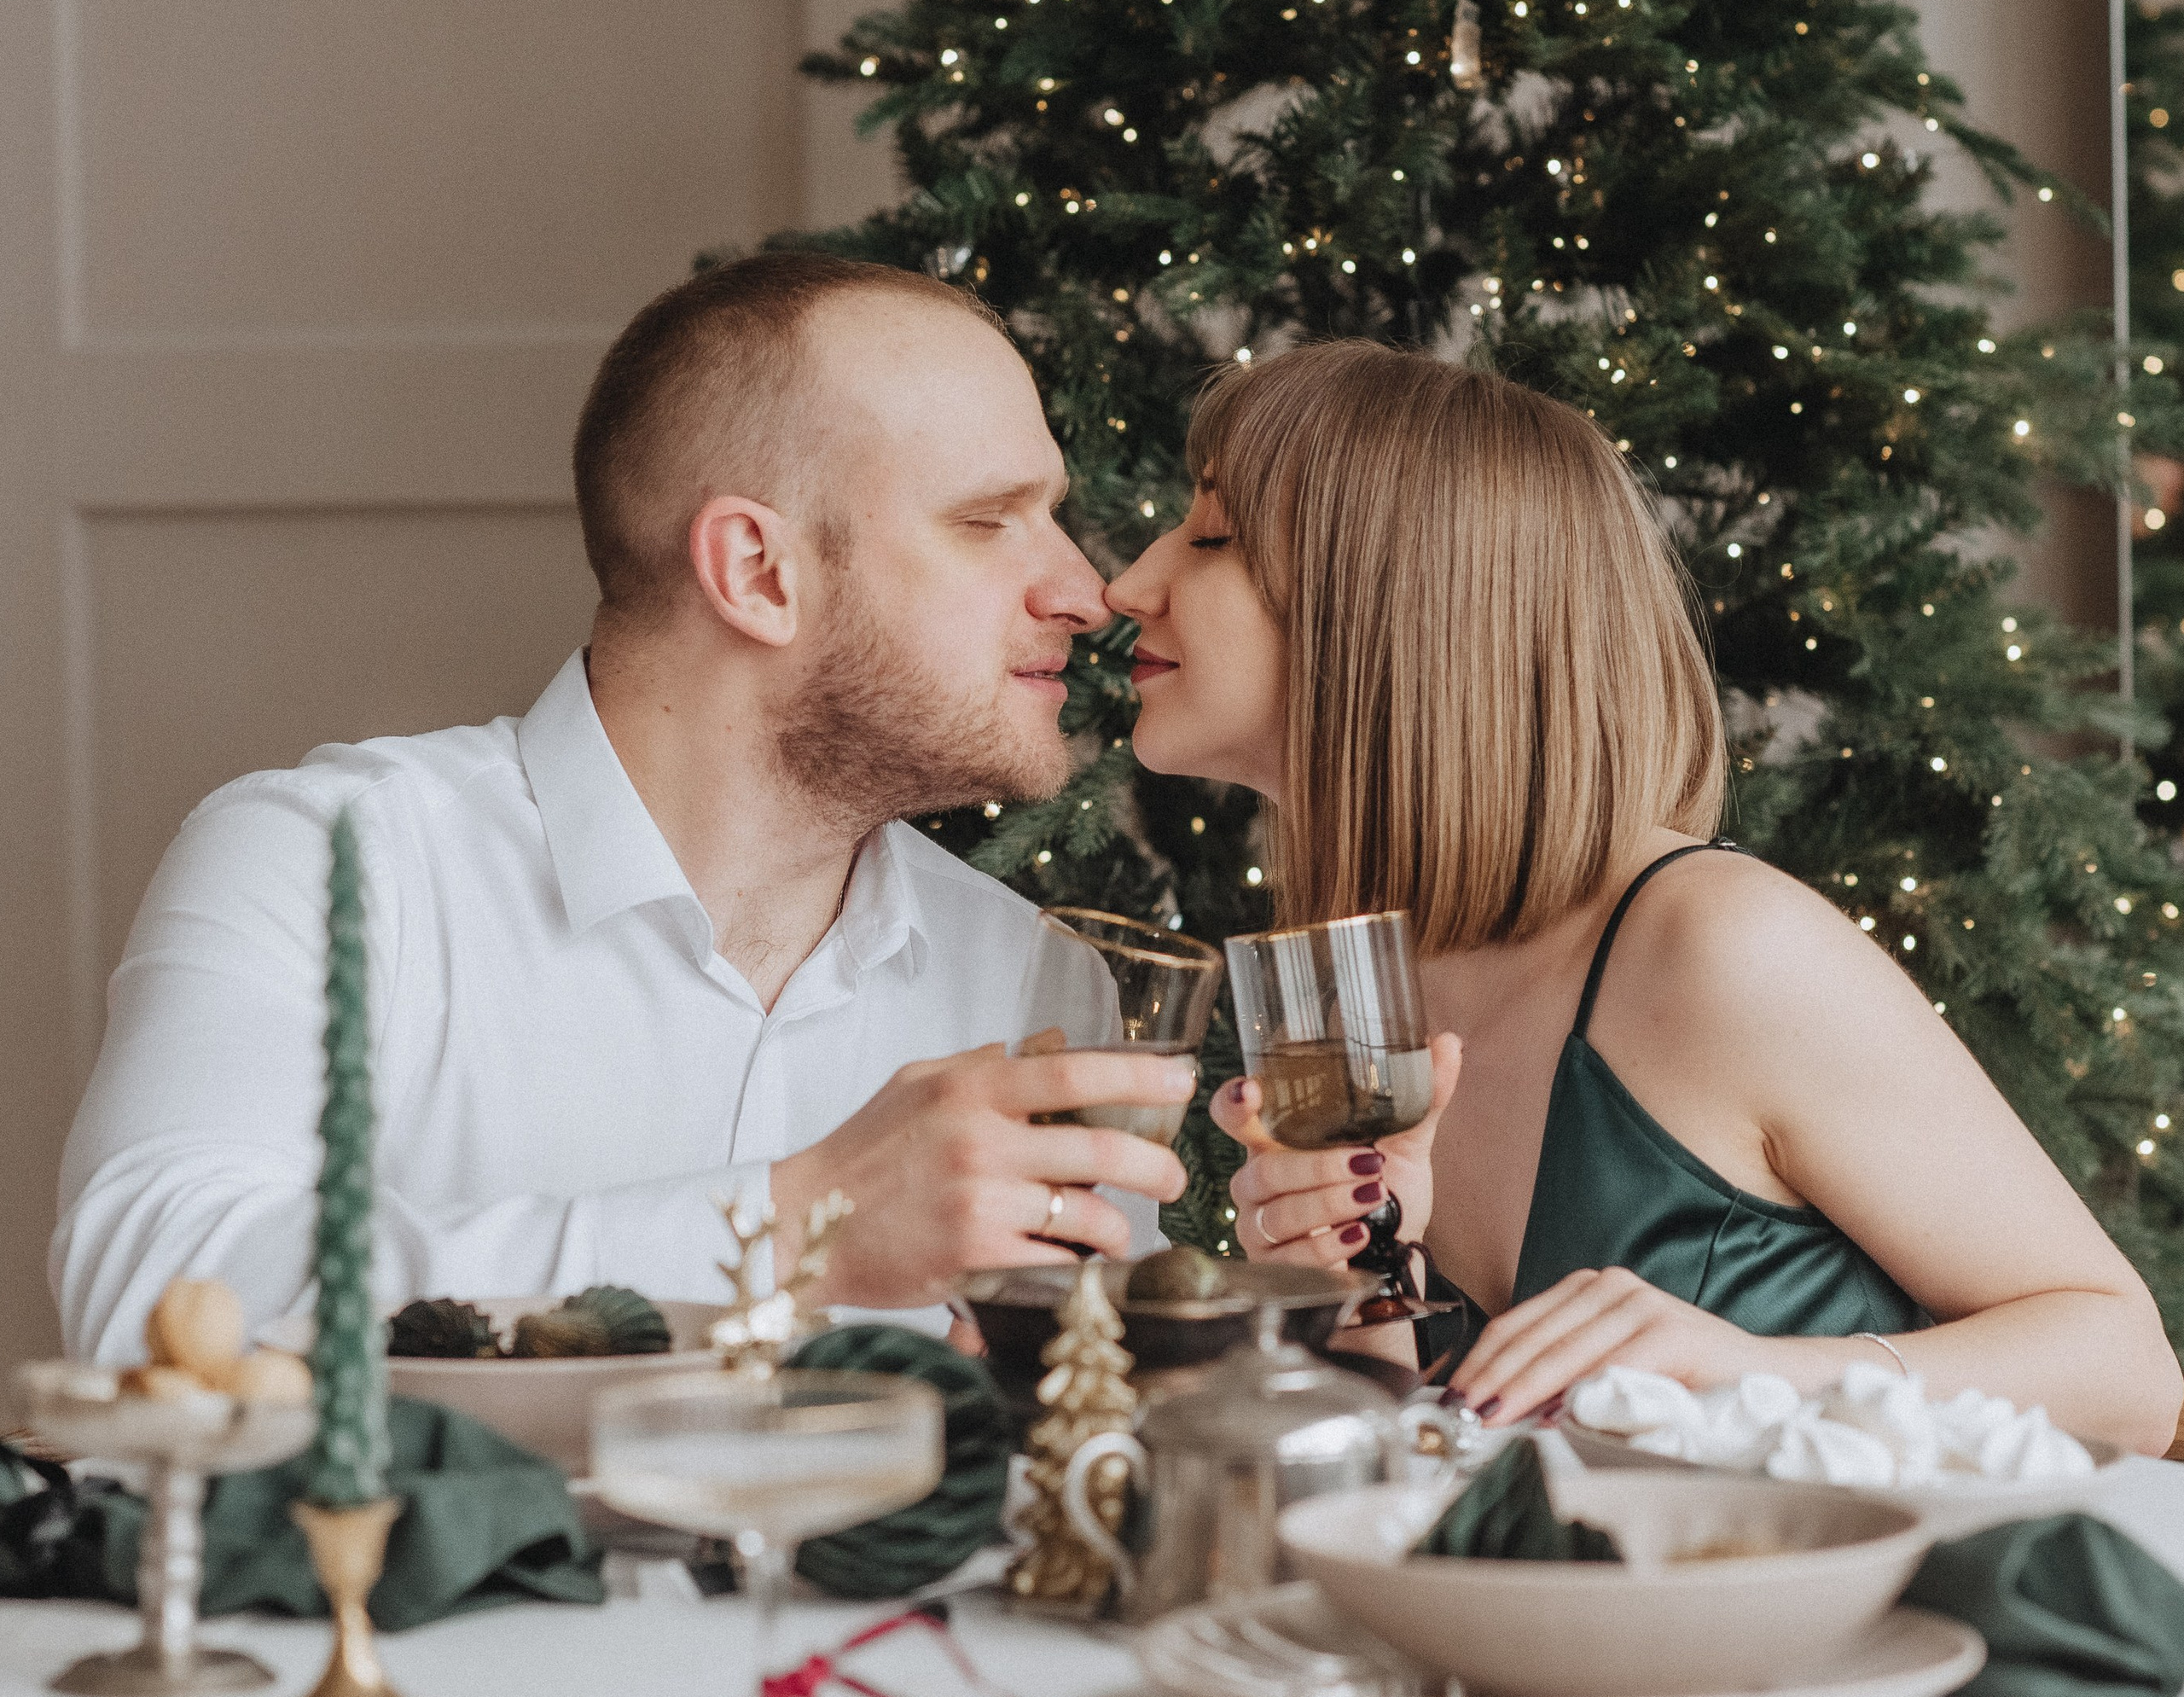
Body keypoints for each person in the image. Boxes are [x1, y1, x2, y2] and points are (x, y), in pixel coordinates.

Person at [53, 253, 1185, 1364]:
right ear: (756, 571)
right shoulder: (334, 861)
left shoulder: (1038, 984)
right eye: (991, 521)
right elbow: (153, 1290)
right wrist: (791, 1226)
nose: (1086, 592)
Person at [1106, 340, 2184, 1455]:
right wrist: (1351, 1287)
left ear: (1392, 605)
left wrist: (1756, 1373)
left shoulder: (1719, 945)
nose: (1126, 585)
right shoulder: (1342, 978)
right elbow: (1430, 1466)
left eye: (1213, 537)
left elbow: (2131, 1372)